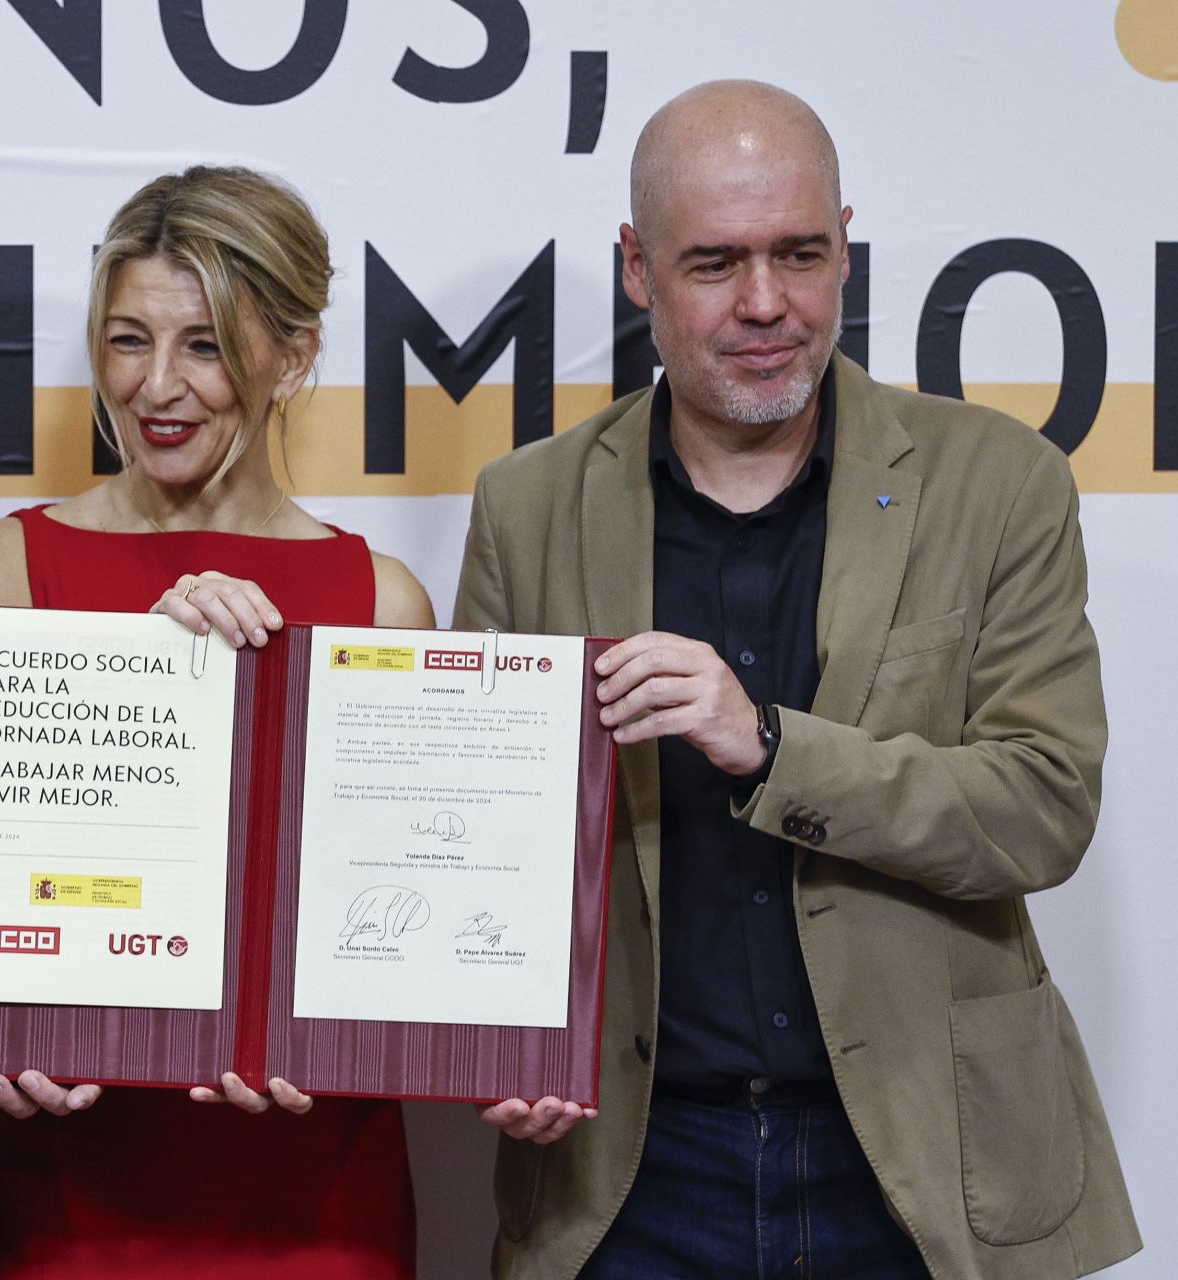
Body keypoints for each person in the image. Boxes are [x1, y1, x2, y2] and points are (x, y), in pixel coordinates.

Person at [456, 81, 1141, 1278]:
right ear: (636, 268)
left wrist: (773, 745)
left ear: (845, 246)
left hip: (923, 1163)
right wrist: (496, 1044)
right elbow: (470, 837)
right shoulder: (529, 506)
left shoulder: (1000, 482)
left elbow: (1044, 805)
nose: (766, 303)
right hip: (628, 1180)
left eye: (800, 254)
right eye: (715, 262)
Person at [0, 165, 434, 1279]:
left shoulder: (384, 600)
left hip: (313, 1177)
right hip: (67, 1175)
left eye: (207, 344)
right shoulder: (10, 567)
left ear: (296, 353)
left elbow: (396, 906)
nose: (157, 386)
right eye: (128, 339)